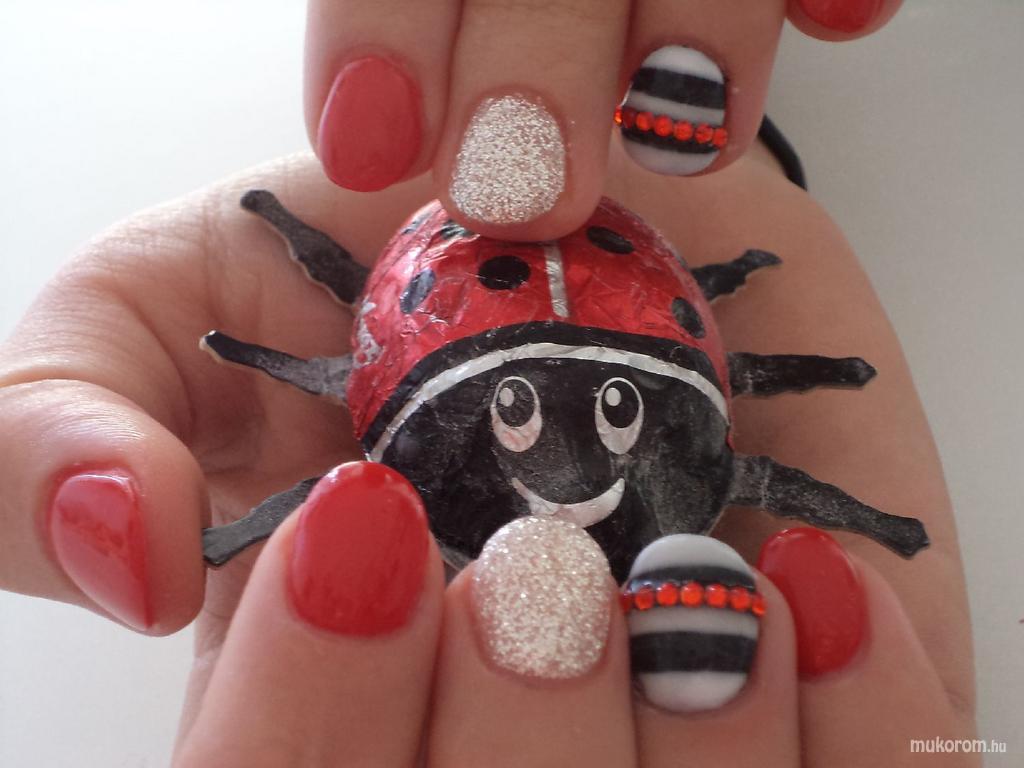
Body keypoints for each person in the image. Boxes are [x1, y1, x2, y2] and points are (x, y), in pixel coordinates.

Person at [0, 0, 977, 764]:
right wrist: (718, 165)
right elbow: (740, 400)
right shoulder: (693, 446)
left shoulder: (427, 436)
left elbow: (341, 365)